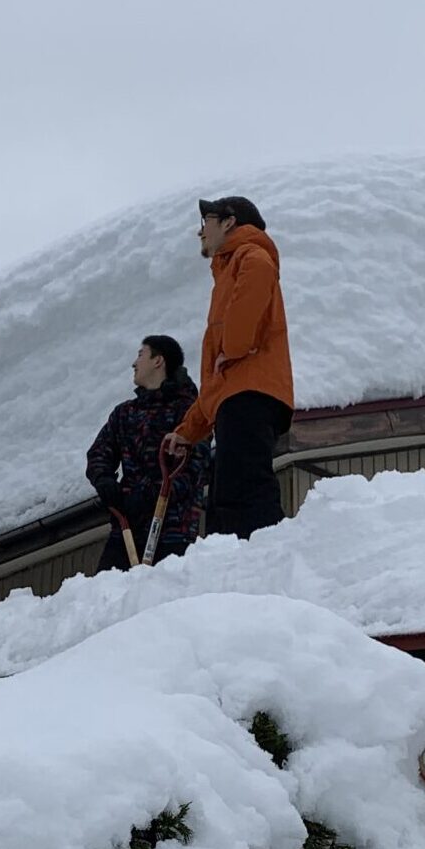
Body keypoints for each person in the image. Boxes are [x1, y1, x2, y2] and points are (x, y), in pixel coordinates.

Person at [160, 195, 294, 539]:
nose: (199, 231)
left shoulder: (251, 256)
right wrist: (188, 431)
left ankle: (268, 561)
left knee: (243, 492)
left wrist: (233, 346)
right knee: (223, 499)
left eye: (206, 221)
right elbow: (219, 382)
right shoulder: (227, 274)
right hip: (238, 398)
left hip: (252, 395)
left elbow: (260, 278)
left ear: (229, 221)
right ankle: (234, 575)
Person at [85, 335, 210, 570]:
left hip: (173, 532)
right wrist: (104, 481)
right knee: (107, 598)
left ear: (158, 361)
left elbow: (194, 467)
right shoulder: (125, 413)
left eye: (141, 354)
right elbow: (99, 453)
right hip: (126, 530)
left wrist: (147, 496)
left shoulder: (191, 413)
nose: (134, 363)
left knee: (162, 598)